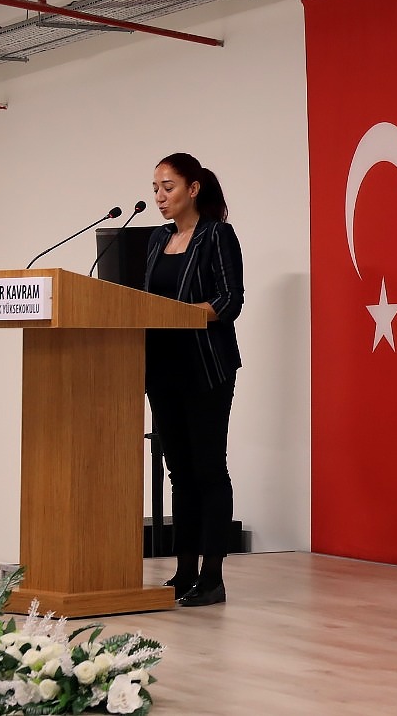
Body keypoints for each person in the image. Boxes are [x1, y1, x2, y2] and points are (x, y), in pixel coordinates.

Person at [143, 152, 244, 607]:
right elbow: (144, 300)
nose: (160, 197)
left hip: (205, 368)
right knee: (179, 472)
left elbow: (229, 300)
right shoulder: (157, 240)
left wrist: (180, 314)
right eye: (156, 189)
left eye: (168, 187)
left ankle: (213, 577)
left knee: (208, 469)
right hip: (161, 369)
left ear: (193, 188)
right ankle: (184, 573)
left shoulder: (217, 235)